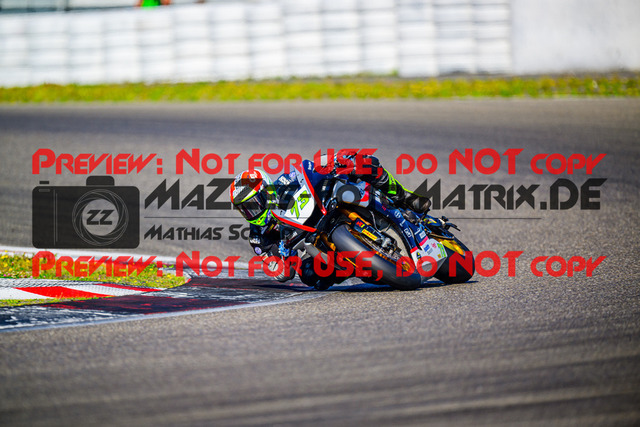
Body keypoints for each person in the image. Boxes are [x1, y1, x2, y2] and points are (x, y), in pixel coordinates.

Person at [229, 152, 431, 288]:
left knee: (358, 162)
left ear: (266, 190)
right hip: (313, 239)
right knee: (309, 275)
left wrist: (330, 163)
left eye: (254, 204)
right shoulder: (258, 236)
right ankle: (362, 267)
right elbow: (281, 272)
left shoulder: (283, 182)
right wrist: (283, 259)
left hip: (323, 205)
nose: (251, 211)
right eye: (245, 209)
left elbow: (307, 169)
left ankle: (404, 196)